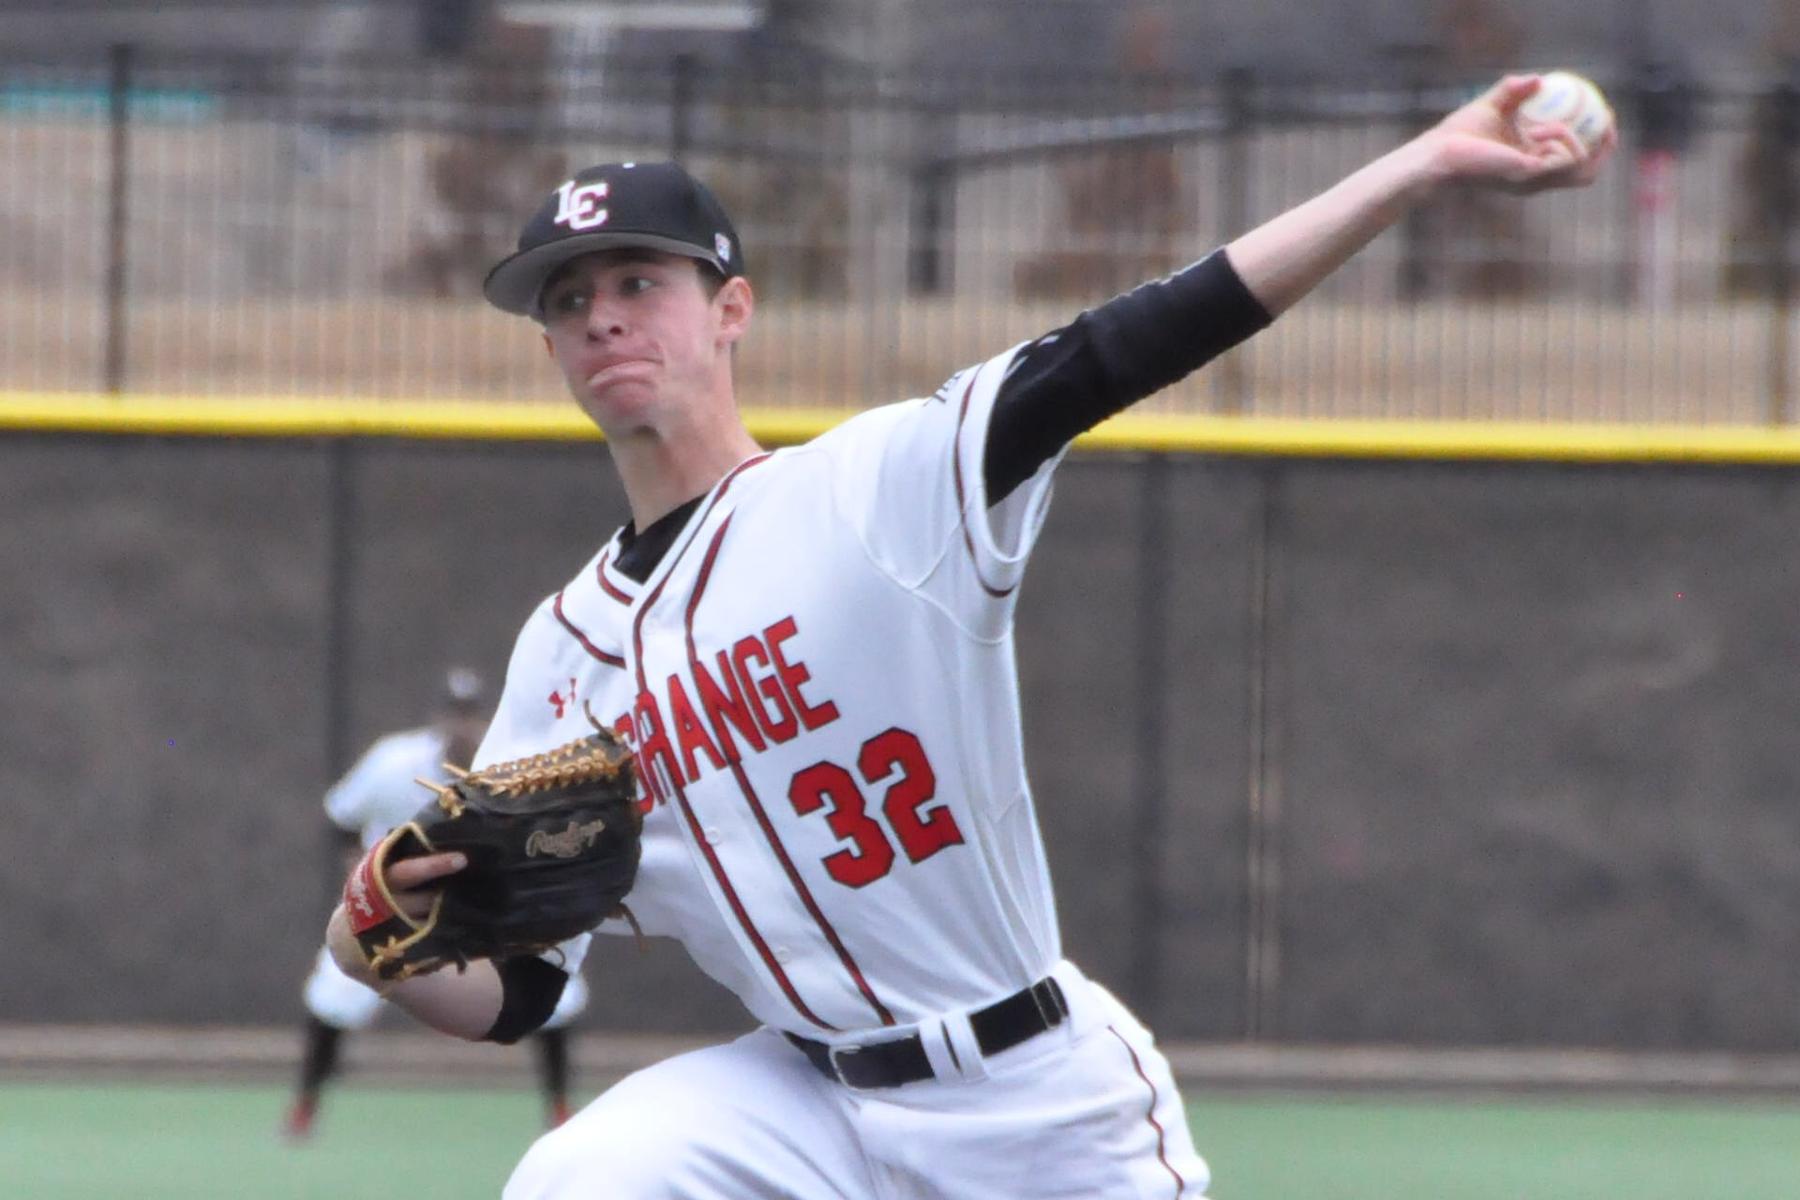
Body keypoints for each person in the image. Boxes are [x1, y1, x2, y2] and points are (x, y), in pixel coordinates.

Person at [323, 75, 1613, 1197]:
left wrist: (1423, 165)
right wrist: (376, 947)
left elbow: (1143, 335)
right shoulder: (561, 652)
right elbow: (525, 997)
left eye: (640, 281)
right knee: (583, 1176)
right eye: (569, 300)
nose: (602, 316)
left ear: (731, 310)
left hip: (1028, 1095)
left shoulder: (879, 487)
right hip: (803, 1106)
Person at [286, 667, 588, 1141]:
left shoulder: (518, 771)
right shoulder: (393, 762)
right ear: (437, 718)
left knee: (558, 997)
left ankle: (561, 1111)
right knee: (333, 995)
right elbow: (342, 817)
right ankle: (303, 1109)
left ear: (489, 719)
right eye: (455, 713)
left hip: (487, 909)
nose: (462, 725)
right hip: (401, 907)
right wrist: (361, 882)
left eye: (471, 714)